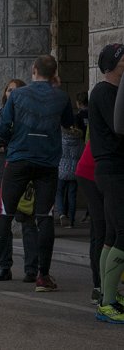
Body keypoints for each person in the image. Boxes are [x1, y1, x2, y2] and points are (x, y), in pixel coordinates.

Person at [0, 54, 73, 292]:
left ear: (33, 70)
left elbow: (3, 127)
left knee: (5, 214)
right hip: (47, 163)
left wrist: (13, 138)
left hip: (18, 160)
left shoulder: (18, 95)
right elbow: (68, 123)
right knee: (44, 216)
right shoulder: (61, 97)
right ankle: (43, 276)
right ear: (54, 74)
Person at [0, 79, 39, 283]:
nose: (12, 93)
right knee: (3, 219)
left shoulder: (30, 115)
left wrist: (6, 144)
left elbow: (27, 138)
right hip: (2, 169)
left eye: (16, 90)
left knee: (27, 219)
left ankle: (32, 268)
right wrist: (10, 142)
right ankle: (3, 266)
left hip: (24, 169)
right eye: (9, 90)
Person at [89, 43, 124, 323]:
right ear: (114, 65)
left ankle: (107, 295)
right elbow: (119, 126)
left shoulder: (111, 91)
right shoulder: (104, 92)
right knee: (122, 233)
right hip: (113, 170)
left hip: (113, 169)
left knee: (112, 235)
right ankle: (108, 302)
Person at [75, 139, 104, 305]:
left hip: (98, 171)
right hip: (92, 172)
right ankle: (99, 287)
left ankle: (100, 286)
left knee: (101, 230)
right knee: (102, 229)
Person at [55, 127, 83, 228]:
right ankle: (71, 221)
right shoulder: (80, 141)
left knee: (59, 193)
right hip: (74, 172)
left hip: (61, 171)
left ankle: (62, 214)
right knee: (72, 196)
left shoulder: (61, 140)